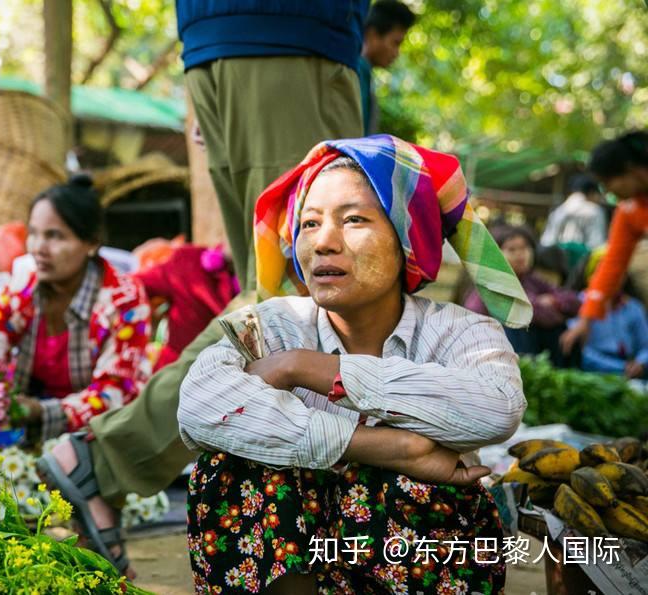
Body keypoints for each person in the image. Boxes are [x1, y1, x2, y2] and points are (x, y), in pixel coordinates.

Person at [36, 1, 369, 576]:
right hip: (286, 40)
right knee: (305, 296)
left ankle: (111, 464)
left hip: (224, 43)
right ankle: (103, 458)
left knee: (277, 300)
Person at [179, 136, 530, 593]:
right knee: (233, 462)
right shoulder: (273, 325)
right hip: (302, 563)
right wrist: (394, 448)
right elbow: (199, 407)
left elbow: (497, 409)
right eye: (308, 223)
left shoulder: (460, 331)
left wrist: (304, 367)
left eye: (354, 220)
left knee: (419, 488)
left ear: (406, 239)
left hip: (406, 563)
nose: (323, 243)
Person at [0, 176, 152, 445]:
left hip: (102, 429)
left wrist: (40, 411)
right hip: (34, 420)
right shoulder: (21, 292)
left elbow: (114, 393)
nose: (39, 248)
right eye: (33, 234)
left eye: (55, 236)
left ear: (91, 243)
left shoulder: (124, 301)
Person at [561, 131, 648, 356]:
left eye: (607, 182)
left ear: (632, 171)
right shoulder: (629, 210)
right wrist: (586, 318)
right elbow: (612, 264)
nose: (607, 191)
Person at [465, 224, 580, 364]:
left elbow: (574, 301)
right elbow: (526, 311)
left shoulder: (531, 280)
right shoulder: (492, 284)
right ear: (497, 254)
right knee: (518, 325)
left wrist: (554, 302)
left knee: (567, 334)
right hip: (488, 351)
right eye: (512, 249)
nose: (520, 254)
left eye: (524, 248)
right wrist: (543, 304)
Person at [134, 244, 239, 371]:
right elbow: (136, 285)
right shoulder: (188, 262)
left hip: (227, 371)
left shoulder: (259, 290)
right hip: (177, 367)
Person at [571, 248, 648, 378]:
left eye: (618, 271)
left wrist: (640, 362)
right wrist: (621, 368)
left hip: (633, 372)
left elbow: (645, 346)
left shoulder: (633, 307)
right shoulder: (578, 303)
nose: (613, 277)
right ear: (592, 275)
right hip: (593, 374)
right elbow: (581, 352)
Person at [359, 1, 417, 135]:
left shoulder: (363, 72)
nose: (396, 53)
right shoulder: (358, 71)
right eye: (395, 43)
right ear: (373, 35)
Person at [540, 174, 608, 250]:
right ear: (592, 192)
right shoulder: (595, 211)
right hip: (585, 259)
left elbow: (547, 242)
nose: (599, 199)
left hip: (558, 258)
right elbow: (597, 244)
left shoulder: (558, 211)